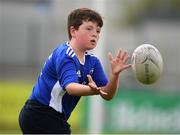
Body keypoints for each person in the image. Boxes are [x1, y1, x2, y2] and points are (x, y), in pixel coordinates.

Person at [18, 8, 131, 134]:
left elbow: (107, 94)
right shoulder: (65, 54)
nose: (95, 34)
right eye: (89, 29)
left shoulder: (92, 61)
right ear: (73, 31)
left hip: (53, 118)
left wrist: (115, 75)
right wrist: (92, 90)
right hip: (40, 113)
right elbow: (71, 88)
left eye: (98, 31)